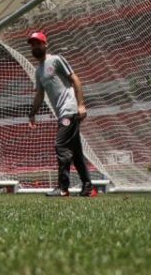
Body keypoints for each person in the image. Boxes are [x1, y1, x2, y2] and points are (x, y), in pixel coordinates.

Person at [27, 30, 96, 197]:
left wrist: (80, 105)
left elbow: (75, 80)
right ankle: (88, 188)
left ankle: (63, 188)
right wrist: (32, 114)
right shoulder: (38, 72)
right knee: (77, 152)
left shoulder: (56, 60)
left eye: (38, 43)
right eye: (32, 44)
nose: (35, 47)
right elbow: (39, 95)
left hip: (69, 110)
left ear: (45, 44)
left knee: (60, 144)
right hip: (62, 113)